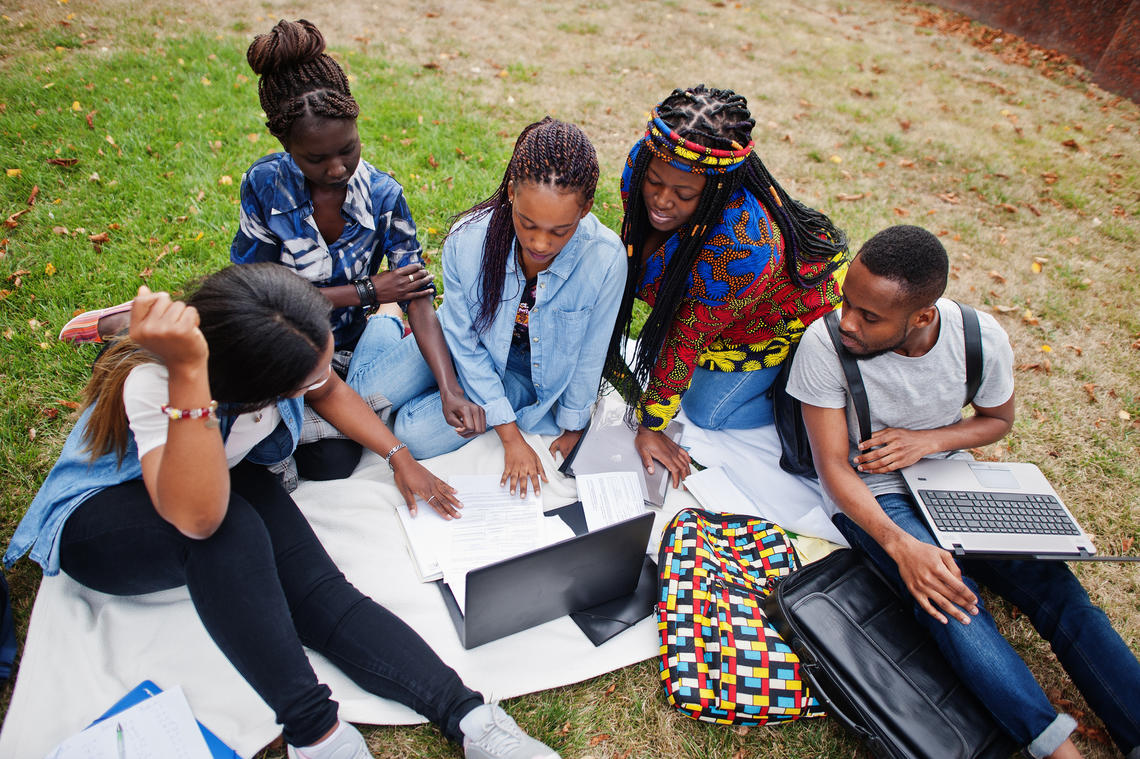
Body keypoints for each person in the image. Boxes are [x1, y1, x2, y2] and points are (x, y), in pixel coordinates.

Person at [6, 264, 559, 759]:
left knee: (323, 596)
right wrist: (189, 379)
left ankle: (472, 718)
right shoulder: (157, 382)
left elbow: (330, 389)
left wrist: (398, 456)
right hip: (103, 518)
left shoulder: (267, 333)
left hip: (218, 474)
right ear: (254, 391)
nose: (320, 380)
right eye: (303, 379)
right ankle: (316, 735)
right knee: (231, 531)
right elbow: (196, 518)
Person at [58, 18, 484, 481]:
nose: (338, 168)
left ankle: (364, 373)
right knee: (325, 457)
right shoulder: (264, 186)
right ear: (284, 144)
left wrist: (448, 390)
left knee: (335, 460)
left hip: (346, 348)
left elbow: (417, 295)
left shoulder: (385, 197)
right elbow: (257, 297)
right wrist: (368, 291)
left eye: (348, 148)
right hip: (278, 348)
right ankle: (141, 319)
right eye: (316, 159)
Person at [787, 225, 1140, 759]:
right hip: (874, 495)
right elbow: (834, 468)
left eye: (870, 316)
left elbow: (997, 420)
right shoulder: (824, 344)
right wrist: (902, 546)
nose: (848, 323)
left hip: (954, 480)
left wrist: (928, 441)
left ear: (923, 316)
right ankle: (1054, 747)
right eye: (847, 304)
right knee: (953, 603)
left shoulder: (980, 337)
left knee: (1063, 595)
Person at [605, 84, 849, 489]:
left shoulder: (745, 247)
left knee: (705, 412)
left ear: (718, 189)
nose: (662, 200)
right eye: (655, 182)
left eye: (684, 194)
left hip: (776, 320)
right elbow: (632, 251)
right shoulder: (647, 157)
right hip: (726, 306)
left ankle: (799, 389)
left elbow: (685, 338)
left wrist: (649, 425)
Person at [390, 117, 626, 497]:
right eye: (527, 224)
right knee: (369, 392)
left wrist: (572, 426)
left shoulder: (606, 259)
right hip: (461, 348)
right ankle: (385, 320)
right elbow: (464, 342)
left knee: (410, 432)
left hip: (523, 374)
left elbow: (589, 354)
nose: (541, 244)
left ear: (585, 210)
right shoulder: (467, 240)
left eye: (559, 231)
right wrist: (509, 436)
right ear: (512, 193)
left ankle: (443, 385)